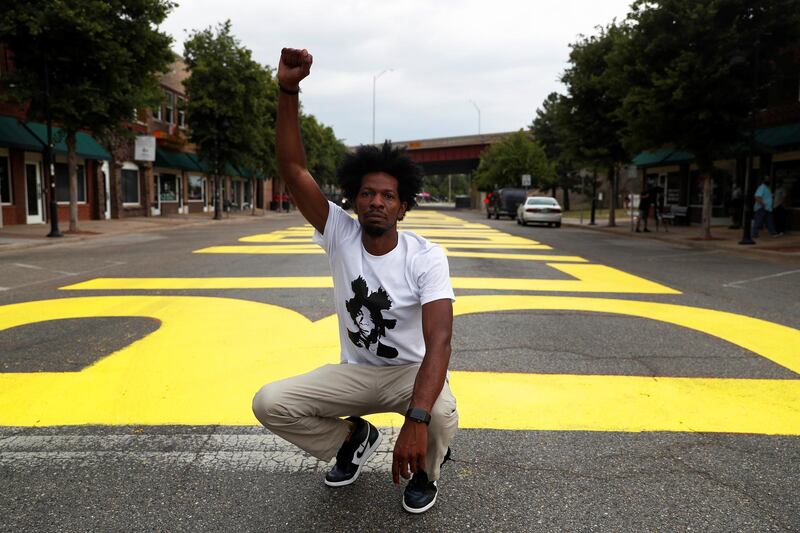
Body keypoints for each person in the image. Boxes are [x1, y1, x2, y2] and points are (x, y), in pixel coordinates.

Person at [252, 47, 458, 515]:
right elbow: (293, 169)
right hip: (357, 373)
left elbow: (440, 343)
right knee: (270, 402)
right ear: (355, 199)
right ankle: (352, 438)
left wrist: (417, 420)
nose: (377, 202)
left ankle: (424, 471)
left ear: (403, 206)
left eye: (389, 196)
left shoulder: (426, 257)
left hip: (410, 375)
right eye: (368, 193)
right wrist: (288, 89)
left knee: (441, 414)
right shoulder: (339, 234)